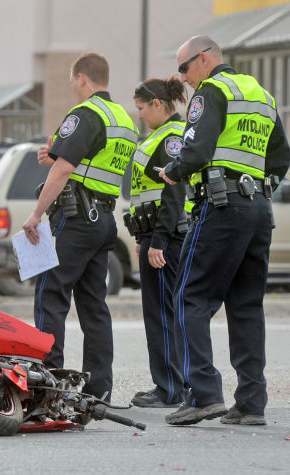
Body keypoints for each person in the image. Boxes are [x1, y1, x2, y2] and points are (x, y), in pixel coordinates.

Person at [159, 35, 290, 425]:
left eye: (184, 68)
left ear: (203, 59)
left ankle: (204, 396)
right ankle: (251, 404)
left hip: (221, 206)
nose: (183, 78)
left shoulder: (211, 90)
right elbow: (281, 156)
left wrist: (173, 171)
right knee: (247, 305)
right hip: (258, 209)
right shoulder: (262, 95)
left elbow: (196, 150)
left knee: (189, 297)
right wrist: (259, 186)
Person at [22, 52, 138, 401]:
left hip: (75, 218)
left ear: (82, 78)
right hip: (103, 220)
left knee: (51, 295)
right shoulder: (124, 119)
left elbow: (64, 170)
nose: (72, 86)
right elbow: (92, 160)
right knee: (94, 306)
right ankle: (98, 389)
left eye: (73, 80)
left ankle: (47, 385)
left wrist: (36, 215)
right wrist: (56, 155)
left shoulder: (86, 113)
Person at [125, 78, 190, 408]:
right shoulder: (159, 138)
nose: (139, 115)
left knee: (162, 314)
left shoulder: (170, 140)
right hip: (155, 234)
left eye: (141, 109)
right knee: (163, 311)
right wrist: (143, 237)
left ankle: (170, 388)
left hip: (167, 236)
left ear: (158, 105)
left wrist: (159, 241)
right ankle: (173, 384)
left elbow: (174, 193)